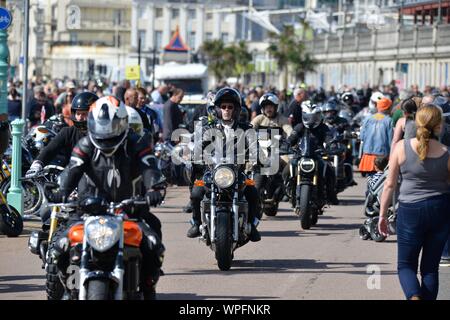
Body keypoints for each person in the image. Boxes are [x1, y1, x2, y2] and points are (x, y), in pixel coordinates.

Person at [59, 95, 165, 299]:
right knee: (59, 247)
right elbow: (72, 171)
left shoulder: (137, 143)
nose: (106, 134)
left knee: (153, 243)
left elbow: (150, 168)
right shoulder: (85, 144)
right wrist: (61, 191)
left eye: (112, 127)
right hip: (89, 211)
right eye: (102, 128)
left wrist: (155, 189)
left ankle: (147, 285)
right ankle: (68, 288)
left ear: (122, 123)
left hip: (131, 211)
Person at [378, 104, 450, 300]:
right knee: (430, 268)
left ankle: (413, 296)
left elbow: (389, 184)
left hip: (410, 210)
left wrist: (382, 215)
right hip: (440, 209)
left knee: (406, 265)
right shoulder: (446, 152)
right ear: (439, 126)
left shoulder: (401, 147)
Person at [186, 87, 262, 242]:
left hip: (237, 173)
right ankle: (196, 223)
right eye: (223, 107)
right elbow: (199, 147)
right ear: (218, 109)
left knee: (253, 193)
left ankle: (251, 225)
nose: (226, 110)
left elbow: (255, 148)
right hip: (212, 172)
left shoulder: (246, 129)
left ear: (236, 110)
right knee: (196, 194)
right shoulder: (209, 128)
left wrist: (257, 157)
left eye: (230, 107)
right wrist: (195, 156)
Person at [286, 100, 339, 205]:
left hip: (317, 155)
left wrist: (332, 146)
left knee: (330, 170)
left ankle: (331, 195)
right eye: (308, 117)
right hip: (300, 155)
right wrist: (286, 144)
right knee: (286, 171)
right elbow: (291, 138)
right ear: (304, 116)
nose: (311, 120)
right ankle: (288, 192)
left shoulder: (323, 128)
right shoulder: (300, 126)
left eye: (313, 117)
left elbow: (329, 138)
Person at [251, 93, 293, 199]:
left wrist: (291, 137)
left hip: (279, 151)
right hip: (261, 151)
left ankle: (286, 188)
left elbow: (289, 130)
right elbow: (249, 128)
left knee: (290, 164)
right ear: (263, 108)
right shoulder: (259, 118)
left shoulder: (282, 119)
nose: (268, 109)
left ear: (275, 107)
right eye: (266, 107)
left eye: (271, 106)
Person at [359, 97, 393, 175]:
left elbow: (361, 137)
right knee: (380, 182)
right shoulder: (389, 120)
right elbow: (391, 140)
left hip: (368, 155)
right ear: (388, 108)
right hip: (382, 157)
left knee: (370, 181)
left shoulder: (368, 119)